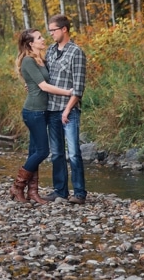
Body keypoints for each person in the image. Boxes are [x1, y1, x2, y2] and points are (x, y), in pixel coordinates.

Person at [11, 30, 75, 204]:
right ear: (31, 43)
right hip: (33, 112)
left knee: (34, 151)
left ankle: (33, 192)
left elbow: (39, 81)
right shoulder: (28, 61)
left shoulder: (41, 60)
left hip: (43, 111)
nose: (43, 39)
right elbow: (44, 86)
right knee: (42, 151)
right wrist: (68, 92)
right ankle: (17, 186)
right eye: (39, 38)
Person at [44, 14, 87, 204]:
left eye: (53, 30)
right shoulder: (50, 51)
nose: (51, 34)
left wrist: (67, 110)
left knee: (74, 153)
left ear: (64, 29)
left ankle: (79, 193)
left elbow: (78, 88)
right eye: (49, 30)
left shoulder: (76, 52)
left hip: (69, 111)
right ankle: (60, 191)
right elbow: (44, 78)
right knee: (57, 154)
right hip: (51, 109)